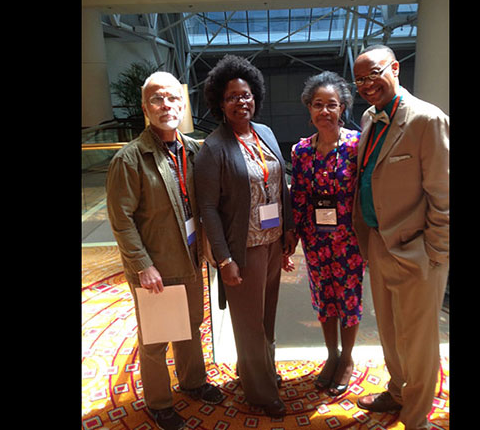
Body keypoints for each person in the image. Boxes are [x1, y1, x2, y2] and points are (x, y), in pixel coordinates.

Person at [105, 71, 224, 430]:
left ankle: (193, 381)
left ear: (182, 103)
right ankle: (159, 402)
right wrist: (142, 265)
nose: (166, 105)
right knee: (156, 338)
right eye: (158, 99)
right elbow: (121, 219)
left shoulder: (192, 149)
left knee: (190, 324)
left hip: (188, 257)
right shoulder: (129, 159)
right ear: (145, 107)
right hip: (155, 265)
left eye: (173, 98)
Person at [350, 45, 450, 429]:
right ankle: (396, 391)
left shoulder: (427, 120)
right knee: (390, 332)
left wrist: (436, 255)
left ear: (395, 68)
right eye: (359, 79)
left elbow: (443, 194)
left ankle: (416, 416)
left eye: (373, 74)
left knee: (419, 341)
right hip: (378, 241)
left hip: (418, 249)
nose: (366, 85)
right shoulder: (370, 118)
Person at [193, 54, 297, 418]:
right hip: (243, 248)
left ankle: (258, 370)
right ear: (220, 104)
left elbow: (279, 183)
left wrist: (286, 233)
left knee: (266, 315)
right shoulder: (213, 148)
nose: (242, 102)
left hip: (270, 243)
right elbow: (207, 209)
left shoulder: (264, 134)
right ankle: (260, 392)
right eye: (233, 97)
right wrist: (225, 259)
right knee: (249, 322)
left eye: (247, 94)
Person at [289, 71, 368, 396]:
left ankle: (347, 358)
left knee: (349, 299)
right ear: (309, 109)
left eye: (331, 105)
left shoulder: (356, 145)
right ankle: (331, 355)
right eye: (318, 104)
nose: (324, 111)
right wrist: (290, 240)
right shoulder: (301, 151)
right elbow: (299, 198)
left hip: (349, 241)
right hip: (316, 240)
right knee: (324, 300)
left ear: (343, 107)